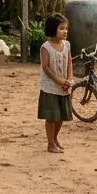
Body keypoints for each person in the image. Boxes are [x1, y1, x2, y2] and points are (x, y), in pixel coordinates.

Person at [37, 14, 73, 153]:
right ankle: (50, 143)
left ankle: (55, 138)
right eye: (61, 28)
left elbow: (69, 62)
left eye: (66, 28)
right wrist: (58, 80)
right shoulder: (46, 47)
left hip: (64, 86)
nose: (65, 31)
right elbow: (45, 67)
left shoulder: (67, 45)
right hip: (50, 87)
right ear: (53, 29)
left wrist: (69, 78)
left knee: (62, 115)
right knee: (52, 116)